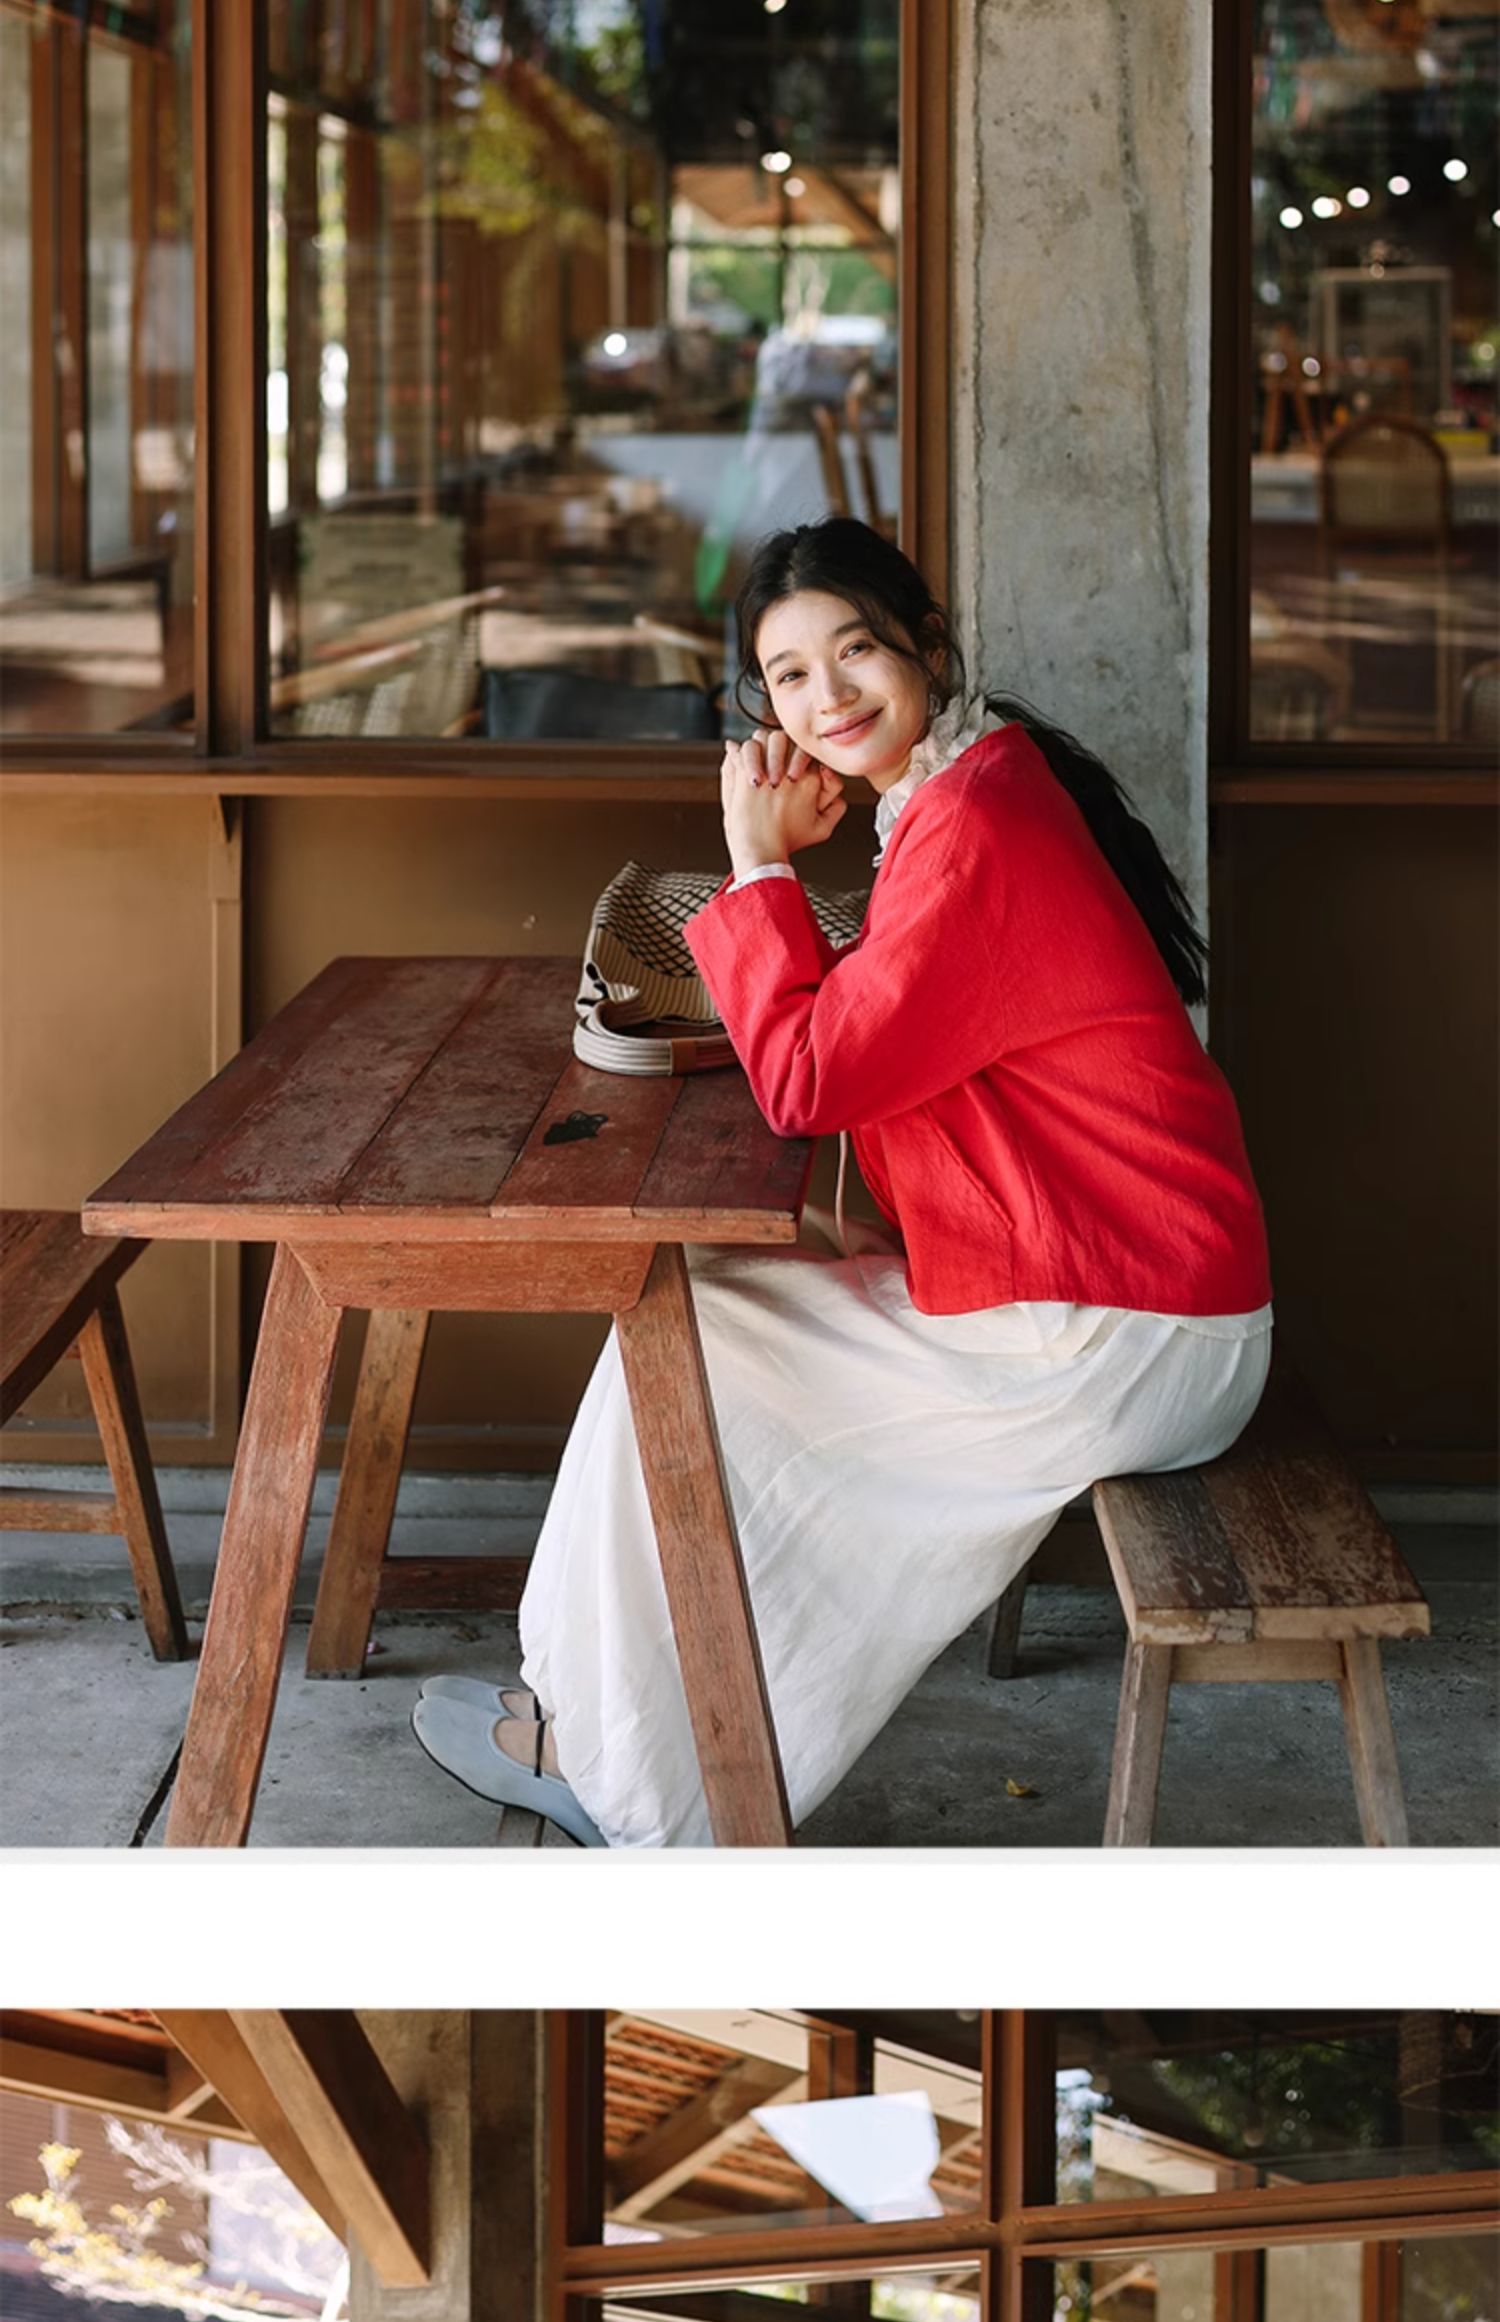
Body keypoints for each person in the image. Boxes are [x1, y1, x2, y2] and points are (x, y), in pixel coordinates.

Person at [410, 516, 1274, 1848]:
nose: (829, 696)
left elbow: (809, 1082)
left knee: (683, 1337)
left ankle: (627, 1770)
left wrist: (757, 860)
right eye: (791, 675)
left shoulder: (976, 827)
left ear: (928, 646)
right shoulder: (972, 782)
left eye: (856, 651)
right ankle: (617, 1730)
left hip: (1120, 1324)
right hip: (1121, 1285)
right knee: (693, 1319)